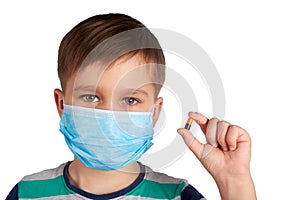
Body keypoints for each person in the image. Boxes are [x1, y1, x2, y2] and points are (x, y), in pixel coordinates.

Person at [6, 13, 256, 199]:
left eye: (130, 100)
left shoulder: (178, 196)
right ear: (62, 104)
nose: (109, 116)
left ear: (154, 113)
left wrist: (234, 181)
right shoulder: (27, 193)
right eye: (91, 97)